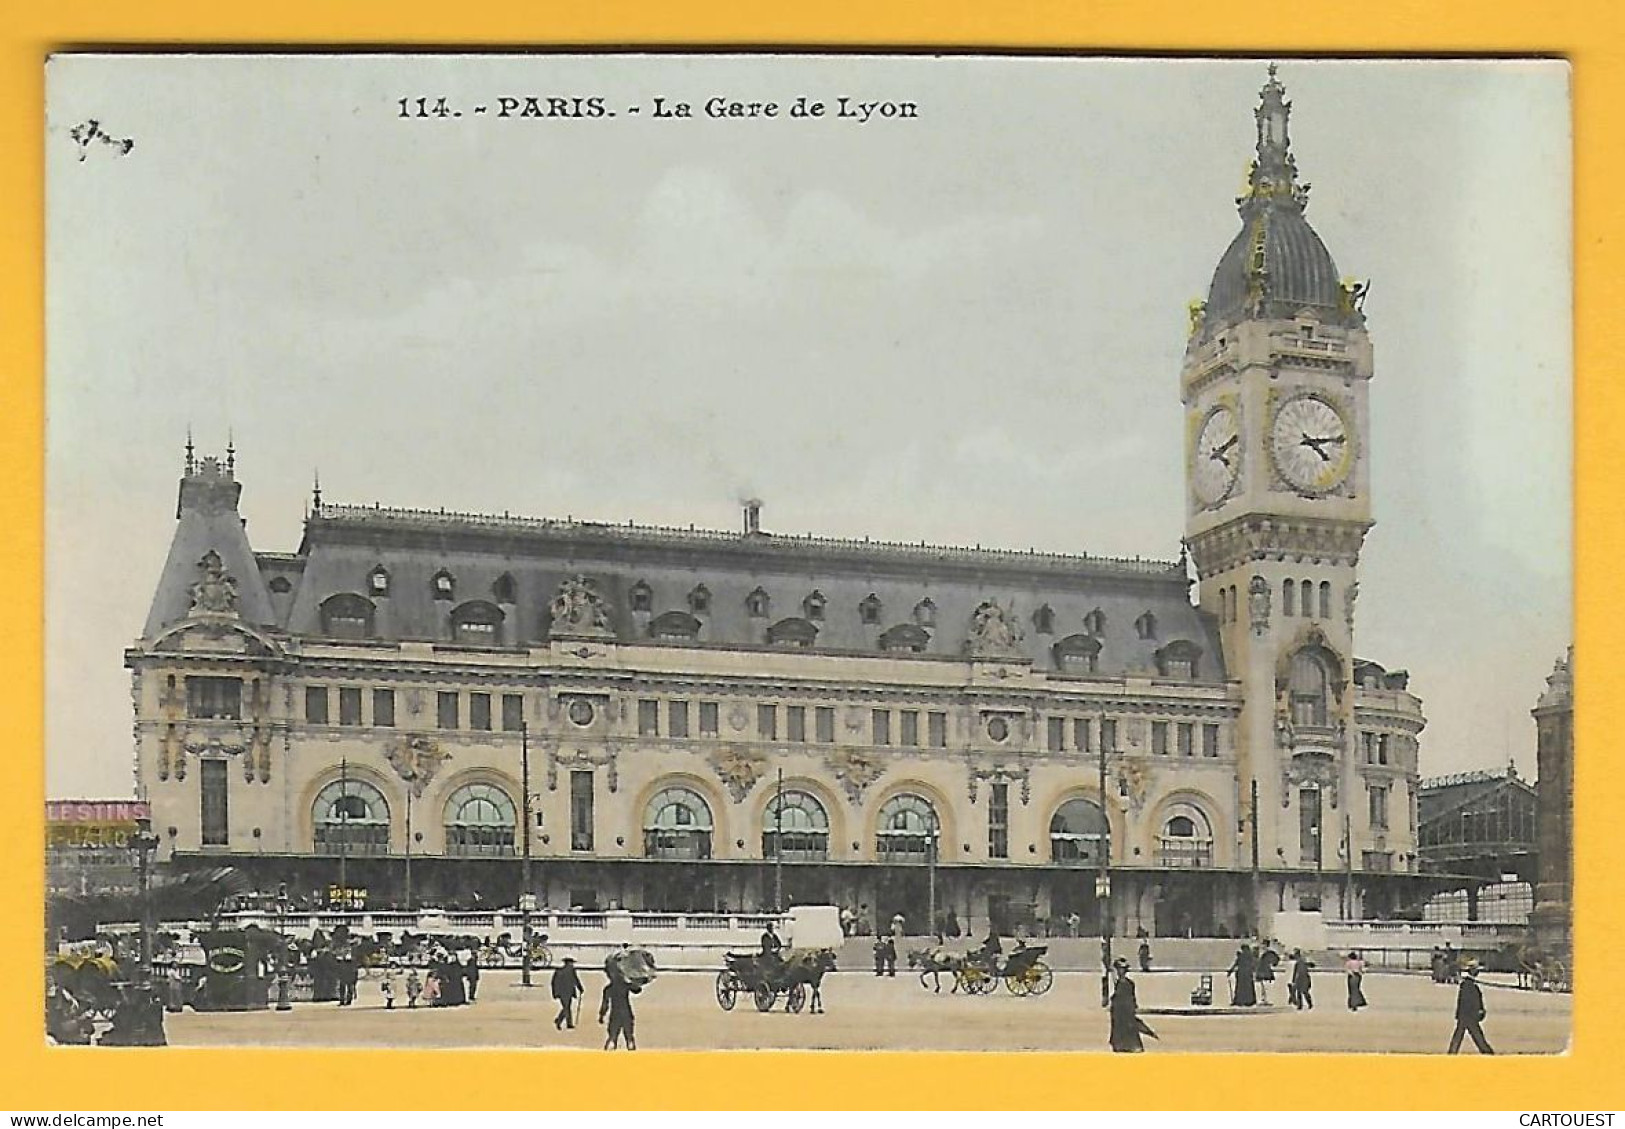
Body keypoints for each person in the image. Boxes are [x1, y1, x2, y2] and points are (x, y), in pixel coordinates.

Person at [1108, 958, 1155, 1053]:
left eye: (1123, 969)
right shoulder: (1119, 984)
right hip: (1118, 1014)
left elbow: (1131, 998)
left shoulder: (1128, 984)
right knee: (1119, 1032)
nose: (1121, 971)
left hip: (1126, 1012)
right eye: (1119, 969)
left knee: (1130, 1030)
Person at [1448, 962, 1495, 1054]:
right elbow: (1470, 1001)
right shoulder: (1469, 985)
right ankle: (1487, 1052)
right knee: (1476, 1035)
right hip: (1469, 1015)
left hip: (1464, 1015)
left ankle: (1452, 1052)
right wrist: (1478, 1011)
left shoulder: (1467, 984)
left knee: (1460, 1035)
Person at [599, 972, 641, 1050]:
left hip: (615, 1013)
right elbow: (637, 990)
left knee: (612, 1036)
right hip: (626, 1012)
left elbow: (605, 1004)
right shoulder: (625, 986)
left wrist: (602, 1015)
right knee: (629, 1037)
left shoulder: (609, 988)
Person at [551, 957, 584, 1030]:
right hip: (563, 992)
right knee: (566, 1008)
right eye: (570, 963)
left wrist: (580, 988)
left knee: (567, 1008)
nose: (572, 965)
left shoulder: (571, 971)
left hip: (569, 992)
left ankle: (566, 1022)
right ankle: (560, 1021)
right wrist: (555, 993)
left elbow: (576, 980)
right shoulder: (560, 972)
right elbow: (555, 983)